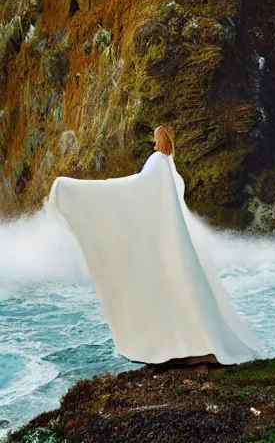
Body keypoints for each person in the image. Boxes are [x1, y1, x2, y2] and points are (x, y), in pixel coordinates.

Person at [45, 125, 261, 366]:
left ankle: (186, 346)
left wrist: (75, 189)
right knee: (185, 289)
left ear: (159, 139)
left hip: (167, 234)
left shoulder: (157, 160)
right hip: (173, 234)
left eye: (156, 137)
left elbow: (137, 188)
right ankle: (194, 344)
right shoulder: (169, 163)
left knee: (174, 289)